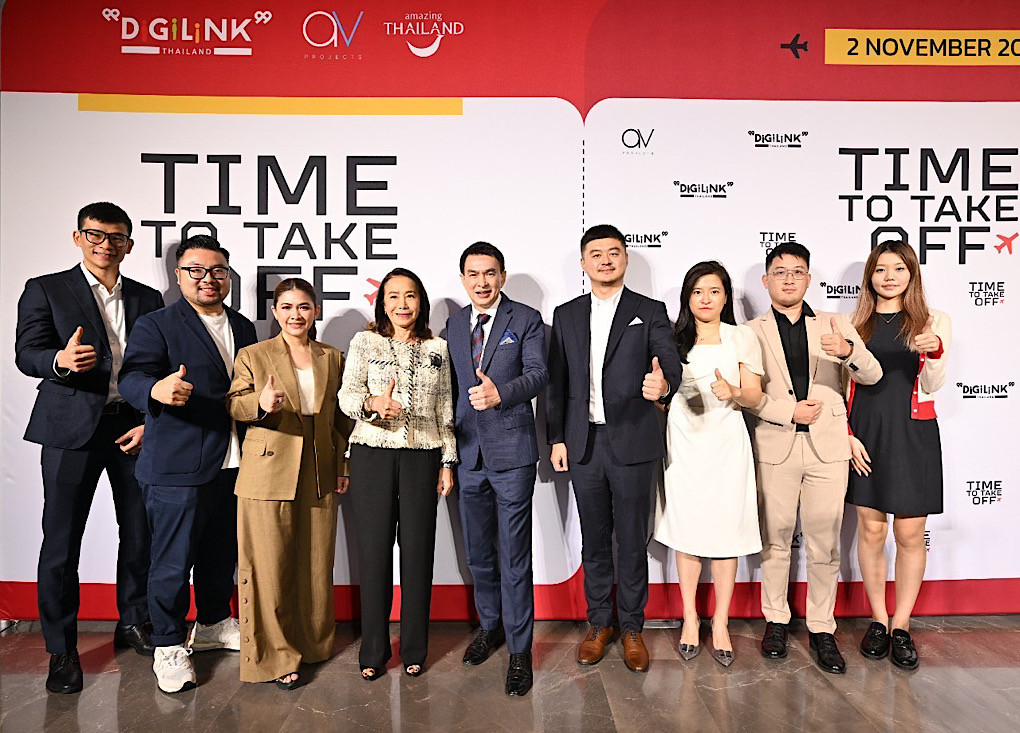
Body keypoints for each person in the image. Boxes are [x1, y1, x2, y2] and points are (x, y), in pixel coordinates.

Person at [14, 202, 164, 694]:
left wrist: (149, 422)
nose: (105, 245)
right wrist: (59, 360)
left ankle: (134, 620)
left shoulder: (147, 297)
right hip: (70, 431)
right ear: (78, 237)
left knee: (139, 533)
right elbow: (26, 353)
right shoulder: (46, 288)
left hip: (131, 428)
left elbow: (156, 366)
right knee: (61, 543)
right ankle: (61, 649)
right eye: (95, 235)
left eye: (116, 237)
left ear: (129, 245)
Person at [119, 235, 257, 694]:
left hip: (233, 462)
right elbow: (133, 376)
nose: (208, 278)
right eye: (196, 270)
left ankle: (214, 622)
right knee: (172, 562)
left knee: (221, 553)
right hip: (176, 466)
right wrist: (154, 391)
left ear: (228, 277)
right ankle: (168, 645)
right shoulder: (156, 324)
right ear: (178, 276)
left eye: (217, 270)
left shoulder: (243, 325)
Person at [546, 224, 682, 673]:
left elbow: (670, 363)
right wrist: (557, 437)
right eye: (596, 254)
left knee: (631, 541)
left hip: (633, 441)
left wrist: (664, 385)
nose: (605, 260)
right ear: (583, 263)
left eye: (614, 252)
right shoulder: (566, 314)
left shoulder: (649, 310)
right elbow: (557, 382)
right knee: (595, 540)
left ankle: (633, 628)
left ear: (625, 258)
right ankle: (599, 623)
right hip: (583, 443)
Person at [744, 242, 881, 674]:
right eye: (780, 272)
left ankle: (822, 627)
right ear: (766, 280)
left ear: (808, 278)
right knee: (775, 540)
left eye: (797, 271)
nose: (788, 279)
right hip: (774, 444)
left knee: (825, 543)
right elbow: (747, 395)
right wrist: (788, 412)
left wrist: (848, 351)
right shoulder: (749, 331)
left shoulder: (836, 323)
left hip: (828, 448)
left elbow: (872, 374)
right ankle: (776, 620)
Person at [227, 278, 352, 689]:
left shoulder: (332, 356)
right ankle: (275, 657)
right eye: (286, 307)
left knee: (316, 563)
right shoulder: (253, 354)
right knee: (269, 566)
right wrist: (260, 404)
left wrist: (343, 466)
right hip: (267, 471)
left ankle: (312, 644)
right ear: (275, 312)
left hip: (319, 469)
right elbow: (234, 404)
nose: (295, 315)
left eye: (303, 307)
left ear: (315, 311)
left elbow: (340, 420)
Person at [338, 268, 457, 680]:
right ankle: (373, 651)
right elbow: (347, 396)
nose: (402, 304)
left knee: (418, 554)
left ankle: (414, 649)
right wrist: (373, 403)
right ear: (382, 303)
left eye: (410, 296)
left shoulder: (438, 348)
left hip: (423, 458)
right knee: (374, 555)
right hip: (372, 455)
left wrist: (447, 461)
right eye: (393, 296)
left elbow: (445, 408)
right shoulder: (365, 342)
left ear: (420, 302)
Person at [446, 242, 548, 696]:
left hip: (512, 455)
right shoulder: (453, 325)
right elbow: (448, 390)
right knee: (479, 554)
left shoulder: (525, 319)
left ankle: (521, 650)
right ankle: (490, 627)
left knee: (514, 556)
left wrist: (500, 394)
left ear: (502, 277)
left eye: (490, 273)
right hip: (468, 454)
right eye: (473, 274)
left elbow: (539, 374)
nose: (482, 282)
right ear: (463, 279)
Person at [845, 240, 951, 670]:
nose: (889, 277)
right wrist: (846, 435)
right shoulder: (854, 323)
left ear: (912, 274)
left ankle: (902, 625)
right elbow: (839, 387)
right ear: (870, 276)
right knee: (871, 532)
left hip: (913, 434)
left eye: (899, 269)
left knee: (909, 534)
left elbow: (934, 383)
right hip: (865, 434)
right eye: (880, 269)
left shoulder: (933, 321)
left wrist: (935, 350)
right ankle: (877, 620)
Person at [653, 261, 763, 667]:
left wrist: (733, 390)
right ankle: (690, 618)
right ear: (687, 297)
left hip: (727, 442)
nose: (705, 299)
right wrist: (659, 395)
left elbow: (755, 395)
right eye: (697, 291)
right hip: (683, 443)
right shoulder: (671, 338)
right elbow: (661, 395)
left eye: (714, 291)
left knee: (726, 533)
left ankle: (720, 622)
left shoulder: (742, 337)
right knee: (687, 531)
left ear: (725, 296)